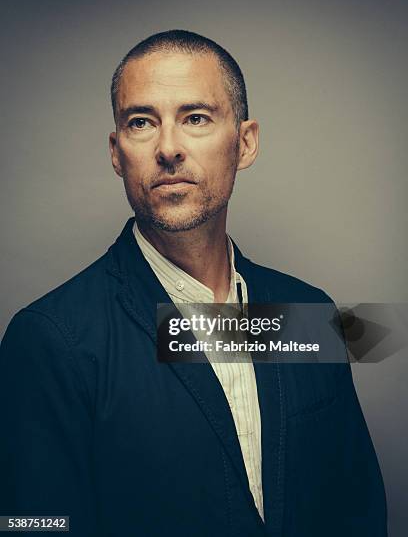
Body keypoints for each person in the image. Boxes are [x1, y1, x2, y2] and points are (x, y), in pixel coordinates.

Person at [0, 30, 387, 536]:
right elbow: (32, 525)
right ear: (117, 153)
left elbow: (355, 507)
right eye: (141, 122)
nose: (168, 148)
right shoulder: (50, 339)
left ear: (244, 143)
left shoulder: (310, 311)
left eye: (196, 118)